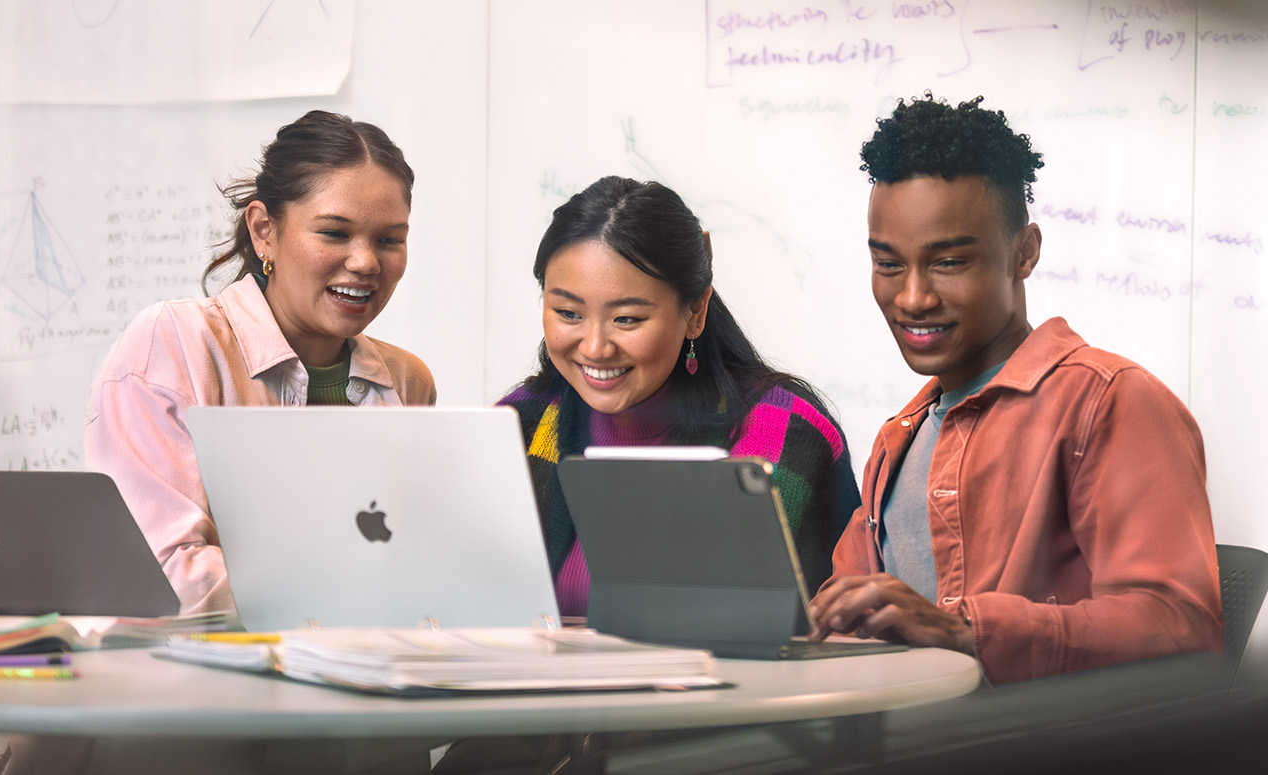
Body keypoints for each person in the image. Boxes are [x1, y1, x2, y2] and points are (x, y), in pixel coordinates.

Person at [807, 94, 1222, 684]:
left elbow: (1182, 624)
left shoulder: (1109, 402)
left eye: (948, 262)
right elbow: (845, 623)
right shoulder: (897, 440)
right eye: (889, 264)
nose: (913, 298)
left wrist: (965, 632)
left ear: (1024, 252)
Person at [84, 110, 436, 616]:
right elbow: (162, 574)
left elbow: (413, 558)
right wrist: (355, 591)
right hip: (198, 680)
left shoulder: (408, 381)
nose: (365, 262)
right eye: (335, 233)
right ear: (264, 230)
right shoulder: (175, 344)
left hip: (360, 672)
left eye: (389, 240)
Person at [498, 175, 861, 616]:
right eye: (568, 313)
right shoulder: (520, 422)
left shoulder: (780, 428)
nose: (595, 347)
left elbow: (746, 620)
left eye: (627, 319)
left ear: (695, 312)